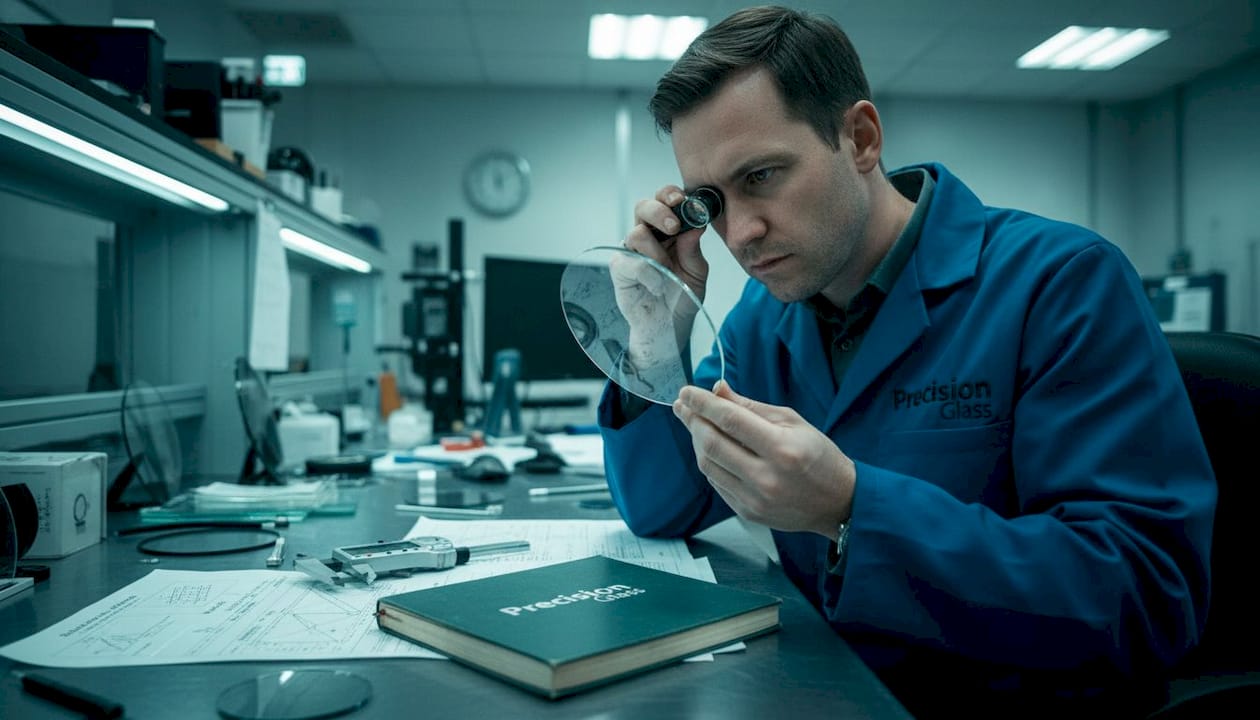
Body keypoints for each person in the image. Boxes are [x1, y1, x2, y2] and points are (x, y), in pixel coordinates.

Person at [598, 5, 1216, 716]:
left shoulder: (1061, 282)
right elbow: (659, 508)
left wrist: (851, 509)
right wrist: (654, 338)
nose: (741, 233)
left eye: (763, 176)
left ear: (859, 138)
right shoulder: (761, 325)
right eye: (713, 202)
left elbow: (1148, 597)